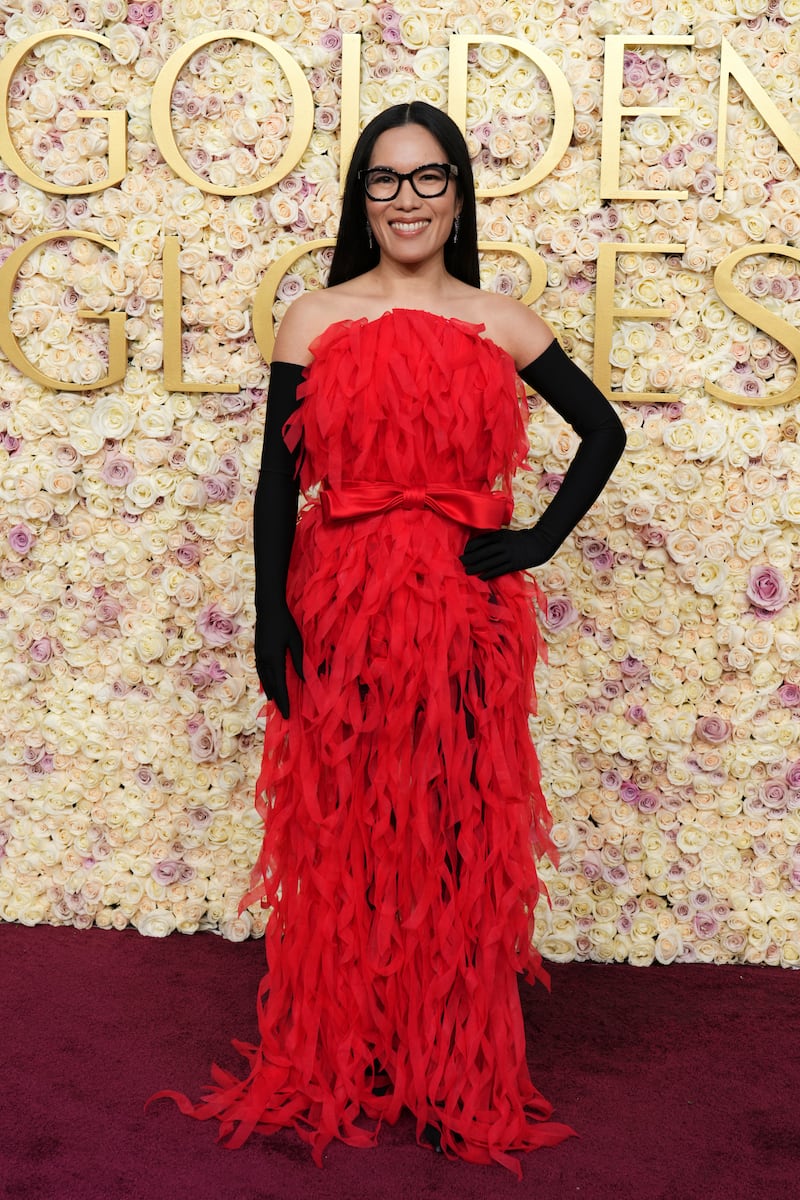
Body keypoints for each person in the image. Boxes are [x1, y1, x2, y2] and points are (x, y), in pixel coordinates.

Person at [151, 101, 625, 1178]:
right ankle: (346, 1053)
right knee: (345, 835)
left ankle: (453, 1072)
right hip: (340, 602)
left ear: (458, 192)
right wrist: (271, 617)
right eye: (384, 179)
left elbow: (602, 431)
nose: (406, 200)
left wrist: (536, 541)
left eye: (427, 178)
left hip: (462, 614)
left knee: (456, 832)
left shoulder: (499, 320)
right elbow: (280, 482)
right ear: (358, 197)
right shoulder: (311, 317)